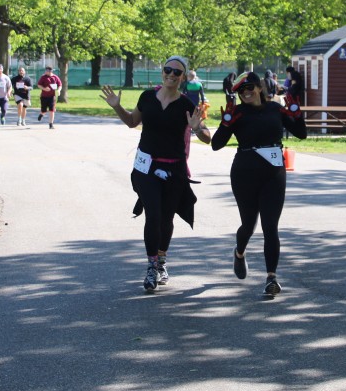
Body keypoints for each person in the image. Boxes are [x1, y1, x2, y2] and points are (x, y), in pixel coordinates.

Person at [101, 57, 211, 291]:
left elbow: (207, 137)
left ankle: (161, 261)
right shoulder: (147, 97)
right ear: (162, 72)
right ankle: (151, 266)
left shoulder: (186, 104)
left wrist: (196, 129)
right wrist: (116, 106)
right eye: (167, 69)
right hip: (146, 168)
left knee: (166, 218)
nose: (171, 74)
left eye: (177, 72)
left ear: (183, 77)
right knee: (153, 215)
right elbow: (132, 121)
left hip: (174, 170)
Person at [212, 72, 307, 296]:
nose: (246, 93)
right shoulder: (237, 112)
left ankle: (271, 278)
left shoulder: (275, 109)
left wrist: (297, 115)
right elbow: (216, 144)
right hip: (244, 173)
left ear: (259, 87)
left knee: (270, 226)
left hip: (273, 173)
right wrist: (226, 124)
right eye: (241, 91)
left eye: (249, 88)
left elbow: (301, 134)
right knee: (248, 225)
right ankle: (239, 252)